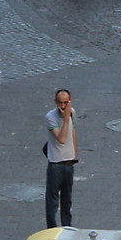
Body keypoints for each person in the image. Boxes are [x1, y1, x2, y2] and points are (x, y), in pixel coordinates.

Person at [43, 89, 78, 227]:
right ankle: (51, 228)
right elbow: (62, 139)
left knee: (67, 199)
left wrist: (75, 154)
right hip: (55, 163)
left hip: (69, 162)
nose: (63, 106)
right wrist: (65, 119)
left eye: (66, 102)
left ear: (70, 101)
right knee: (52, 200)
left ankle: (67, 227)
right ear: (55, 102)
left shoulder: (72, 112)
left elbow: (73, 132)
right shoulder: (50, 117)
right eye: (60, 102)